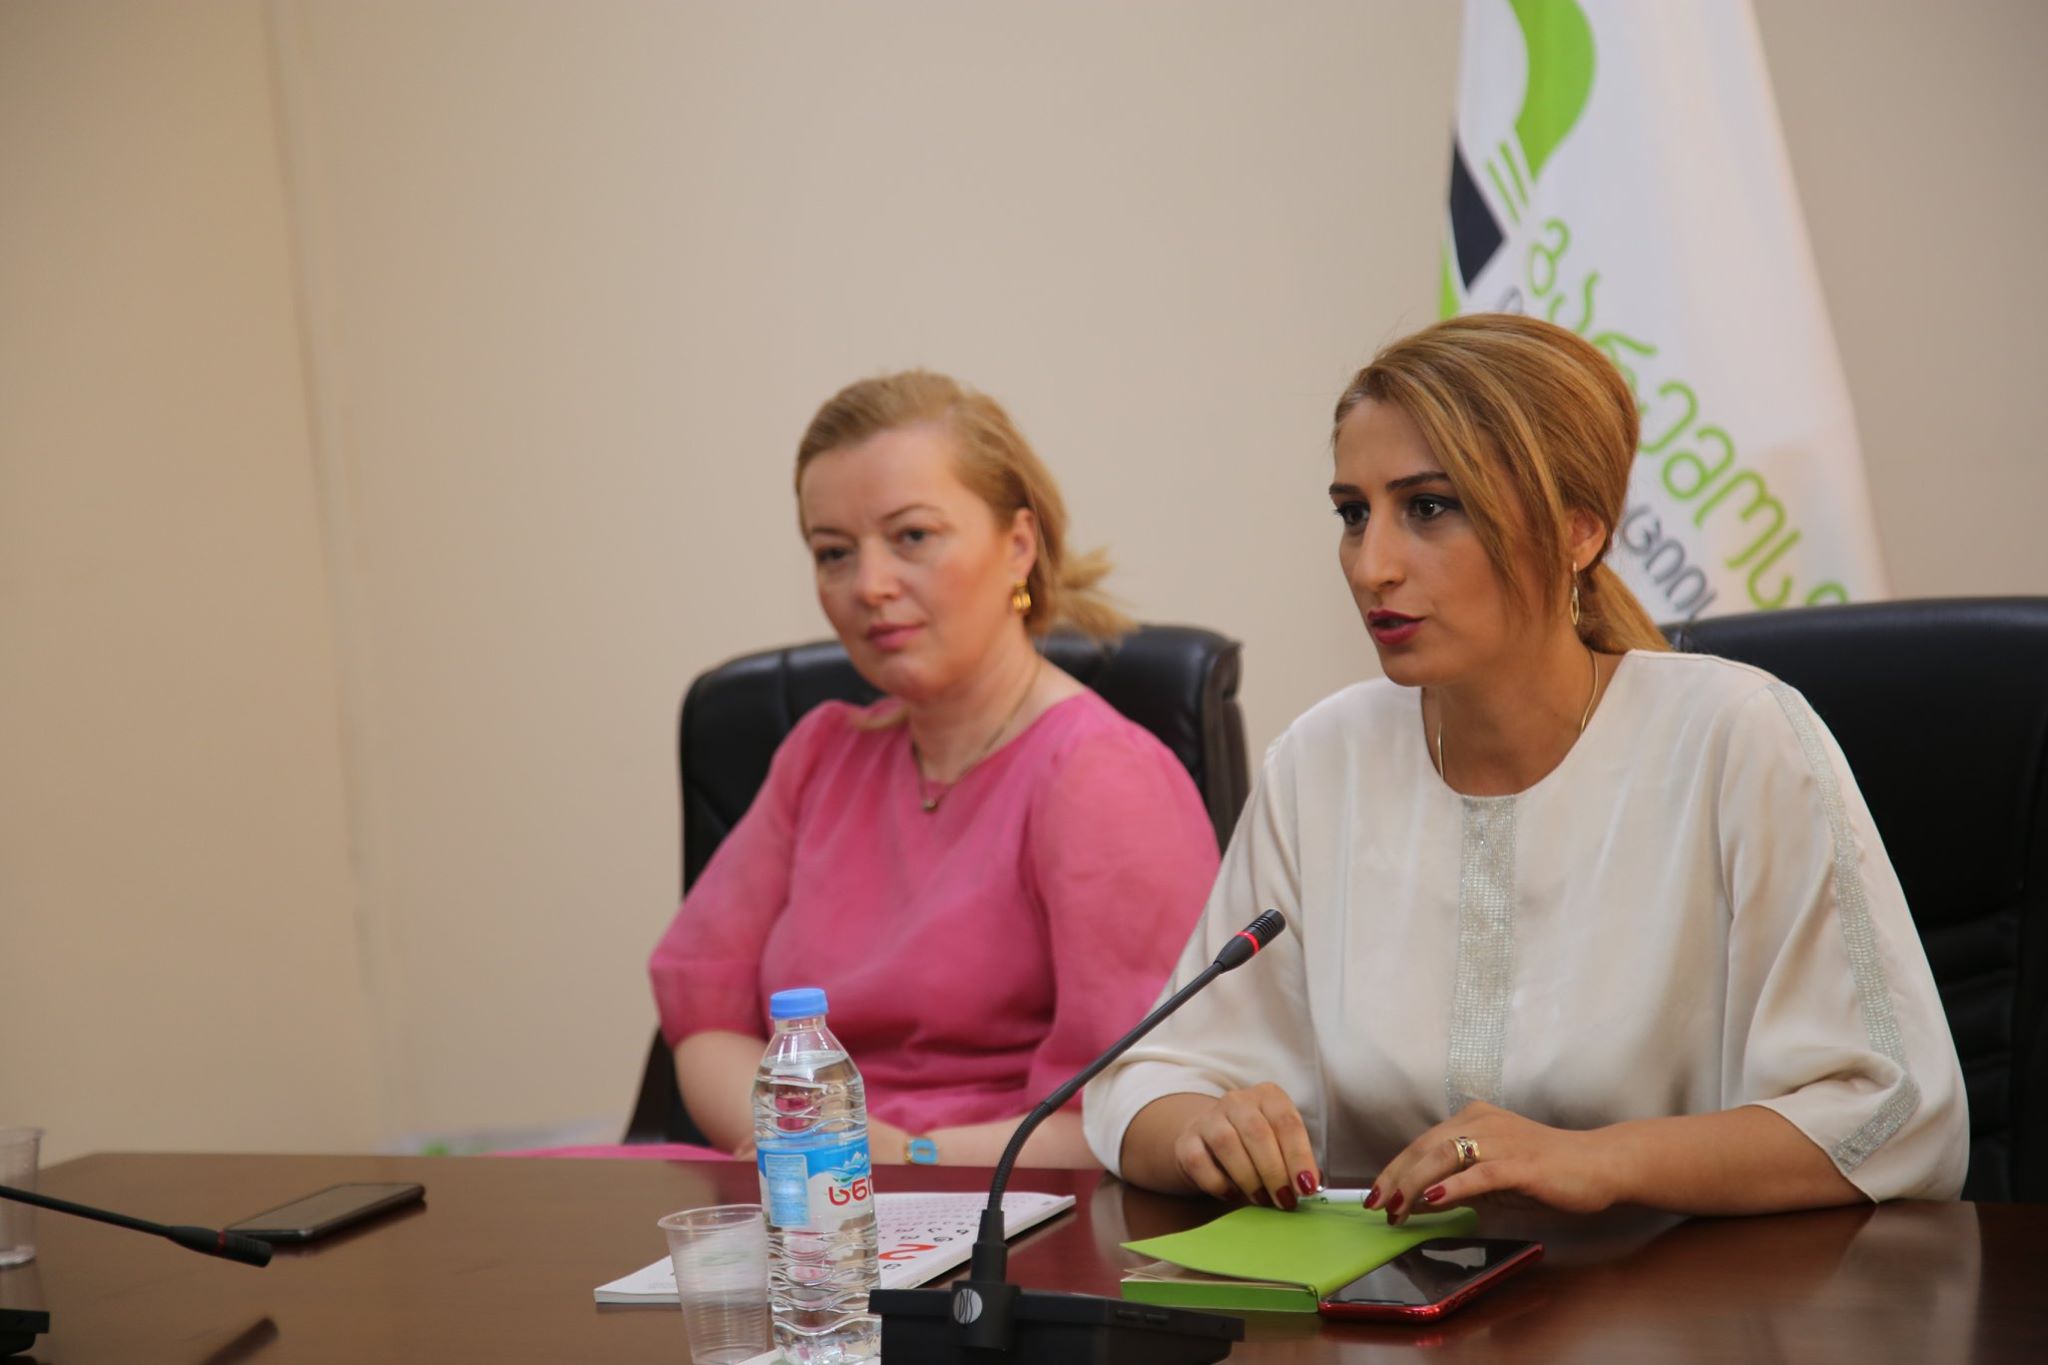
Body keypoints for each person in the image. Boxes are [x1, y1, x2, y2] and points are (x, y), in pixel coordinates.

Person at [1086, 314, 1967, 1218]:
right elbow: (1144, 1083)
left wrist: (1599, 1161)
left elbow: (1893, 1111)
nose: (1371, 565)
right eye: (1353, 513)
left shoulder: (1738, 736)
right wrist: (1203, 1126)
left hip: (1680, 1286)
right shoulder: (1323, 758)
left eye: (1429, 507)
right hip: (1392, 1292)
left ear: (1578, 528)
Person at [649, 370, 1219, 1167]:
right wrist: (809, 1142)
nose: (869, 585)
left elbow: (1134, 1112)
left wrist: (900, 1157)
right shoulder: (820, 753)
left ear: (1018, 546)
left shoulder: (1102, 777)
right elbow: (704, 1018)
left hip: (1001, 1200)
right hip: (797, 1184)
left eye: (912, 536)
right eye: (833, 552)